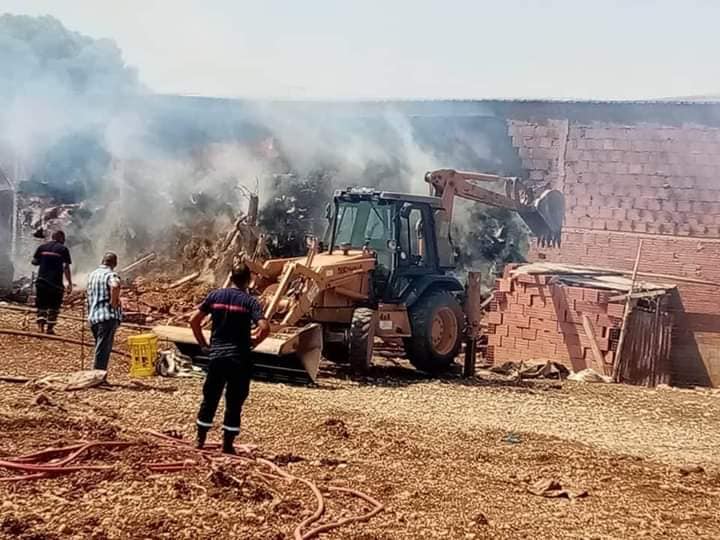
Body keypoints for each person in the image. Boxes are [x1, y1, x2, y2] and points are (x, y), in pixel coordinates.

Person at [190, 263, 270, 454]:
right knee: (234, 401)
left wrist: (203, 345)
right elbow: (265, 327)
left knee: (210, 398)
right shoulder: (249, 302)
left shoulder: (215, 296)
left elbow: (193, 320)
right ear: (249, 280)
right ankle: (227, 445)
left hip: (217, 356)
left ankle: (200, 440)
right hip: (239, 358)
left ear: (231, 277)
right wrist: (254, 342)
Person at [86, 252, 122, 372]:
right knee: (103, 348)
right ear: (114, 263)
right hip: (107, 316)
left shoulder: (92, 275)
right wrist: (114, 302)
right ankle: (97, 375)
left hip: (94, 317)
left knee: (100, 346)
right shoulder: (111, 274)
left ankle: (97, 374)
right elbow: (115, 285)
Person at [31, 230, 73, 334]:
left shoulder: (42, 247)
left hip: (42, 282)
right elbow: (66, 267)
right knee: (54, 306)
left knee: (41, 305)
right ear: (61, 238)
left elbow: (34, 262)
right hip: (56, 283)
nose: (64, 241)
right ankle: (50, 328)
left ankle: (40, 327)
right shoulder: (63, 249)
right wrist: (69, 283)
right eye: (64, 239)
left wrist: (43, 260)